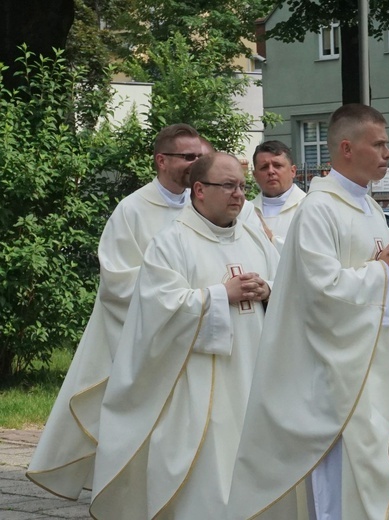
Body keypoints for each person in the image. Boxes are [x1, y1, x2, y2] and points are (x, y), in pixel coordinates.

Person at [228, 104, 389, 519]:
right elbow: (319, 294)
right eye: (380, 144)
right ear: (347, 148)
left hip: (378, 373)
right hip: (336, 383)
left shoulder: (368, 208)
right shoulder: (320, 210)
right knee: (347, 489)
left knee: (385, 479)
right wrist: (383, 273)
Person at [89, 153, 279, 519]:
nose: (239, 194)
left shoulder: (255, 238)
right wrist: (222, 295)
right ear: (199, 190)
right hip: (199, 389)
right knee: (208, 481)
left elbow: (286, 286)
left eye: (242, 186)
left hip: (254, 380)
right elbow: (159, 312)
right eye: (228, 185)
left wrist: (267, 290)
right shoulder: (171, 244)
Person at [27, 123, 202, 499]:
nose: (197, 163)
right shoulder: (133, 210)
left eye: (201, 156)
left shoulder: (206, 204)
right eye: (188, 157)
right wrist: (182, 290)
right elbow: (118, 281)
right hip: (147, 338)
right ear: (161, 161)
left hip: (197, 330)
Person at [250, 140, 306, 251]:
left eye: (277, 165)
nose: (271, 171)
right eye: (264, 167)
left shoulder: (308, 206)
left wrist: (272, 240)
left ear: (293, 171)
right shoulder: (247, 210)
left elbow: (311, 253)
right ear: (255, 175)